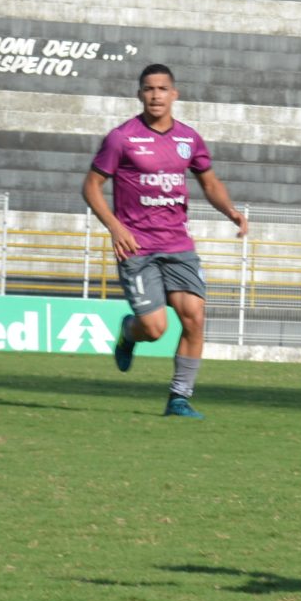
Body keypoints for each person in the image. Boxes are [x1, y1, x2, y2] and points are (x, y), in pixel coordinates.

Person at [85, 63, 248, 418]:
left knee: (195, 317)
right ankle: (129, 332)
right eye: (148, 88)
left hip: (178, 246)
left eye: (162, 88)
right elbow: (91, 187)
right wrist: (114, 226)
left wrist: (230, 211)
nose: (155, 95)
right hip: (137, 247)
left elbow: (209, 183)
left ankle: (179, 397)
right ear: (139, 94)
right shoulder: (121, 138)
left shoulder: (189, 139)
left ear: (174, 94)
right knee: (154, 328)